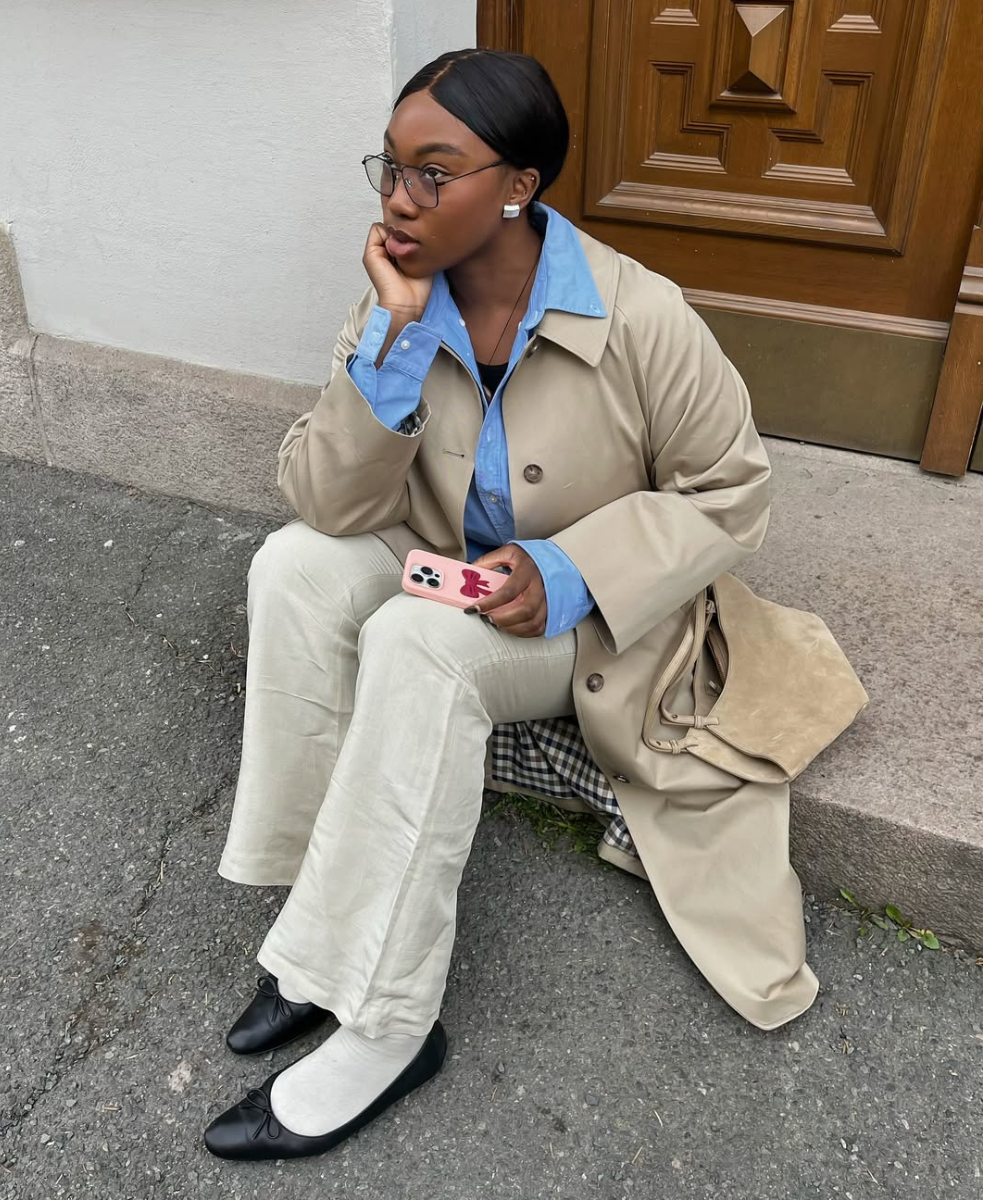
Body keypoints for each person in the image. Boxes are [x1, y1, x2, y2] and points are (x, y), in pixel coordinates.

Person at [203, 48, 818, 1162]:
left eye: (436, 173)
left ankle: (390, 1026)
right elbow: (322, 499)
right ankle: (319, 942)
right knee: (290, 565)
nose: (399, 197)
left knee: (418, 641)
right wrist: (391, 340)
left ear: (521, 186)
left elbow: (734, 494)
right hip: (446, 560)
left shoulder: (642, 317)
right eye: (389, 167)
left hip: (587, 623)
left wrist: (576, 568)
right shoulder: (394, 297)